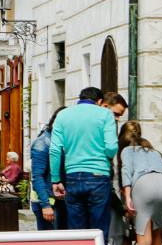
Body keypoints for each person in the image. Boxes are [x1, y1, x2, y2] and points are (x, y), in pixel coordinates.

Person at [49, 88, 119, 237]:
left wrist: (56, 179)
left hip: (73, 177)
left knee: (77, 234)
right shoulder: (105, 114)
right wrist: (106, 155)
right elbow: (112, 147)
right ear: (99, 101)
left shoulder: (62, 115)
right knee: (99, 233)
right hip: (98, 175)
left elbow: (55, 150)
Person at [29, 111, 61, 229]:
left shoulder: (56, 141)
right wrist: (46, 205)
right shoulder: (42, 143)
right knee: (50, 243)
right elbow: (37, 177)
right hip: (47, 202)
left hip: (54, 200)